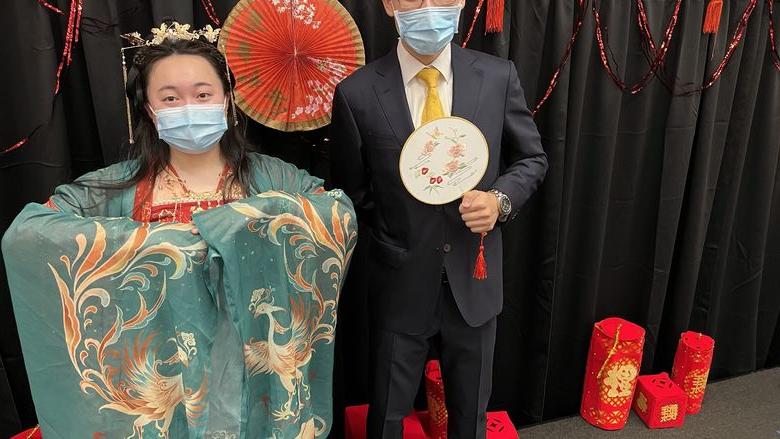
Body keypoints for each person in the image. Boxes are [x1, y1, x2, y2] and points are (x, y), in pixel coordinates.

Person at [2, 23, 356, 438]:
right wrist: (158, 242)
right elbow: (29, 231)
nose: (189, 106)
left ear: (227, 100)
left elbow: (336, 211)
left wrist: (252, 217)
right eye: (170, 98)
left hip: (251, 365)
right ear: (150, 110)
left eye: (203, 94)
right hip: (166, 372)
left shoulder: (271, 177)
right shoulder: (114, 186)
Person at [329, 1, 548, 437]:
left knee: (471, 414)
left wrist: (499, 201)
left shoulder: (498, 76)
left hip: (475, 276)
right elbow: (352, 192)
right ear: (390, 5)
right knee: (387, 415)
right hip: (400, 281)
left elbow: (532, 158)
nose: (429, 7)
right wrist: (399, 226)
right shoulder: (356, 93)